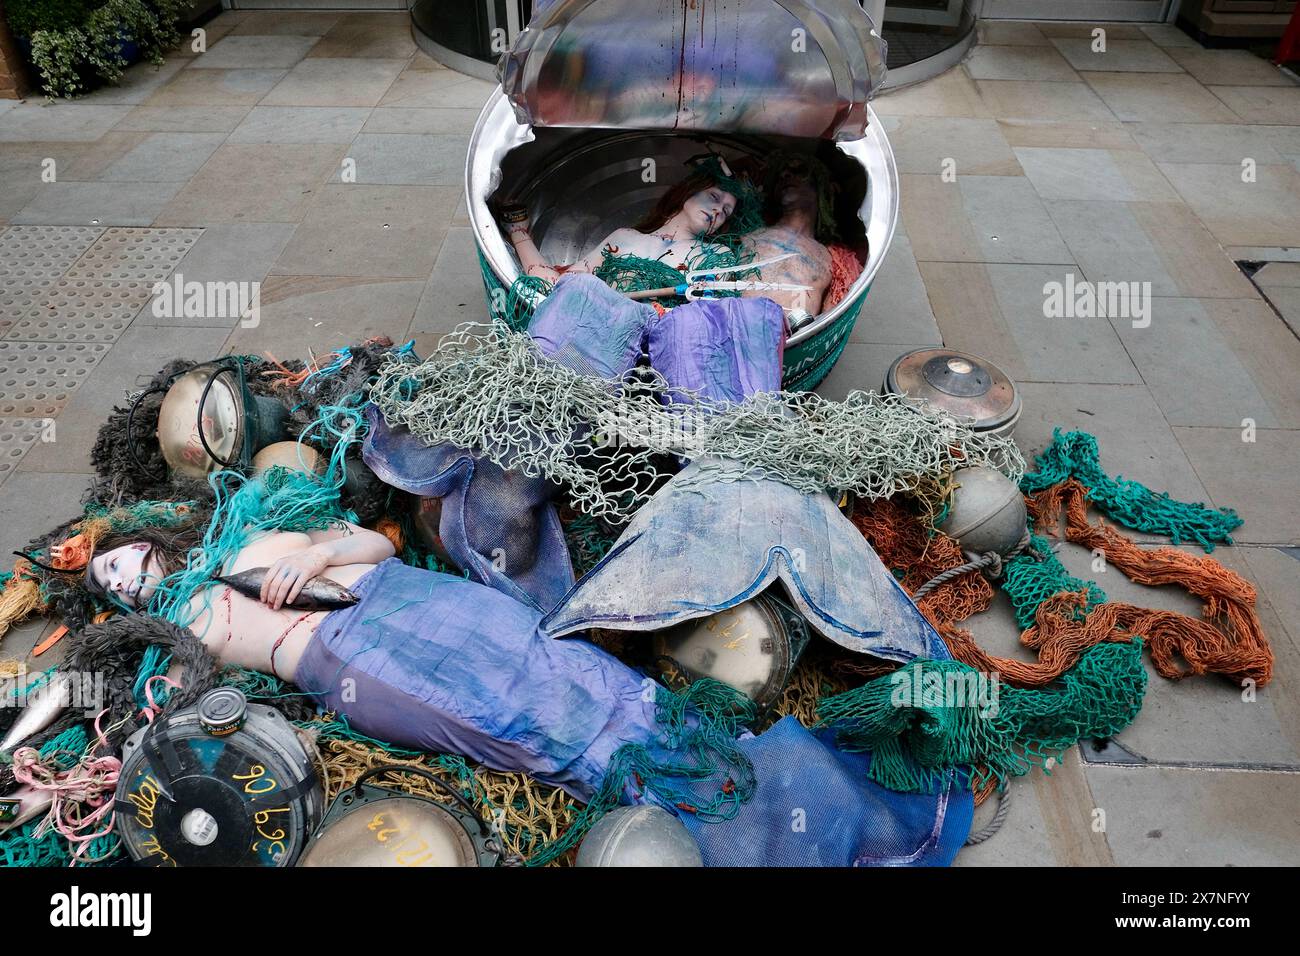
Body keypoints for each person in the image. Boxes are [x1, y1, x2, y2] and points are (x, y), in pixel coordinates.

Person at [81, 523, 679, 800]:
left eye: (112, 563)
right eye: (109, 586)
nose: (120, 579)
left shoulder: (248, 532)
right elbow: (171, 716)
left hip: (404, 590)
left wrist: (320, 559)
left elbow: (377, 543)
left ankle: (691, 734)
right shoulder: (175, 633)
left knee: (542, 656)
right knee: (500, 717)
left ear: (140, 544)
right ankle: (667, 799)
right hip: (346, 660)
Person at [499, 164, 745, 283]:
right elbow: (557, 286)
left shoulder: (717, 255)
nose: (717, 210)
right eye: (714, 197)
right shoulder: (624, 238)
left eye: (726, 211)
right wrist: (519, 232)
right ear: (687, 192)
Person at [740, 154, 839, 320]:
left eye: (798, 171)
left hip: (791, 341)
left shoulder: (833, 260)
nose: (785, 176)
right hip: (729, 334)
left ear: (820, 186)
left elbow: (833, 315)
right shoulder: (748, 235)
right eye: (779, 177)